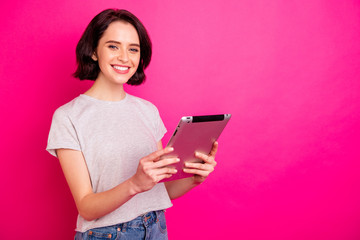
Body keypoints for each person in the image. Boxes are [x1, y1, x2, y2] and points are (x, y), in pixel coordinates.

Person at [46, 9, 218, 240]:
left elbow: (158, 190)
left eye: (133, 49)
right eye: (113, 46)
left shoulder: (147, 110)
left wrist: (194, 179)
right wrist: (134, 184)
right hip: (106, 234)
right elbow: (86, 207)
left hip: (156, 227)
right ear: (94, 51)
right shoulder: (68, 116)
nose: (125, 58)